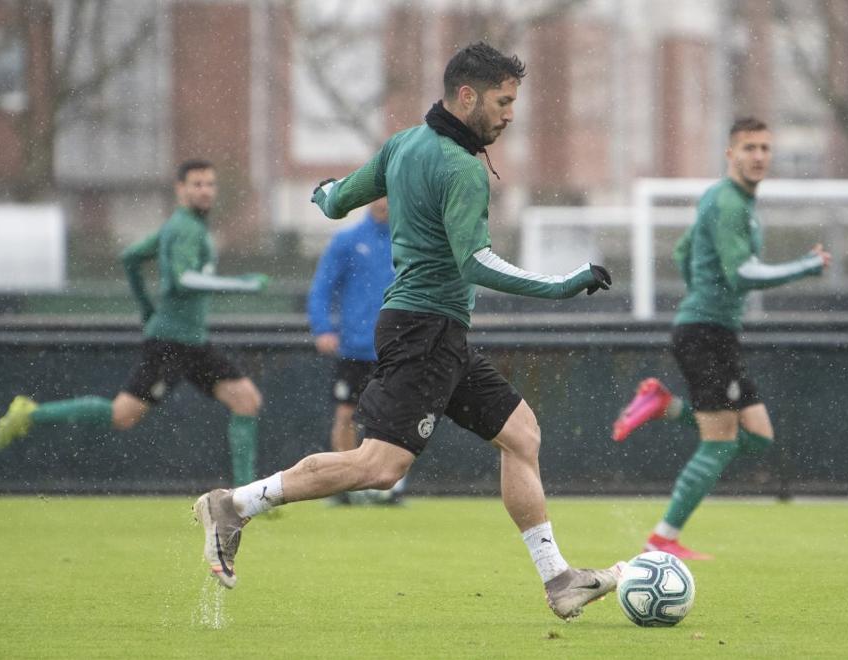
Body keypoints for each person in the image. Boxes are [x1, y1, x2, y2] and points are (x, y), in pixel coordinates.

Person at [192, 42, 620, 620]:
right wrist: (559, 286)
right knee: (379, 467)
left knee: (521, 434)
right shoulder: (462, 168)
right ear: (466, 95)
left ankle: (558, 579)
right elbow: (476, 263)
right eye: (502, 100)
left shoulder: (402, 145)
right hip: (425, 332)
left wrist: (321, 194)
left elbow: (338, 200)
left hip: (428, 330)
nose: (510, 114)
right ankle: (234, 505)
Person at [612, 117, 832, 560]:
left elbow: (683, 251)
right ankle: (662, 539)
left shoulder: (731, 202)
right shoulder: (728, 202)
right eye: (749, 148)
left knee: (759, 437)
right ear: (730, 155)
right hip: (704, 334)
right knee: (719, 442)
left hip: (716, 333)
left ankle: (666, 407)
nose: (758, 156)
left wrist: (706, 288)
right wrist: (805, 268)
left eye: (765, 148)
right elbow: (743, 273)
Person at [0, 159, 270, 487]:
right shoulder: (185, 228)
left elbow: (131, 258)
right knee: (121, 415)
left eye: (210, 184)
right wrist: (240, 284)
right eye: (197, 184)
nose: (205, 190)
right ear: (180, 189)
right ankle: (30, 414)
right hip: (172, 343)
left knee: (246, 399)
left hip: (191, 341)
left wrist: (145, 308)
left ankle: (247, 498)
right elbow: (183, 280)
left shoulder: (183, 225)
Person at [307, 197, 407, 505]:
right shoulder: (348, 240)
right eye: (379, 195)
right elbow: (322, 287)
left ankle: (387, 486)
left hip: (396, 348)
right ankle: (346, 484)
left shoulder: (408, 241)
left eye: (392, 195)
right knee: (346, 415)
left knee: (394, 418)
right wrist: (322, 327)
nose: (385, 203)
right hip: (355, 346)